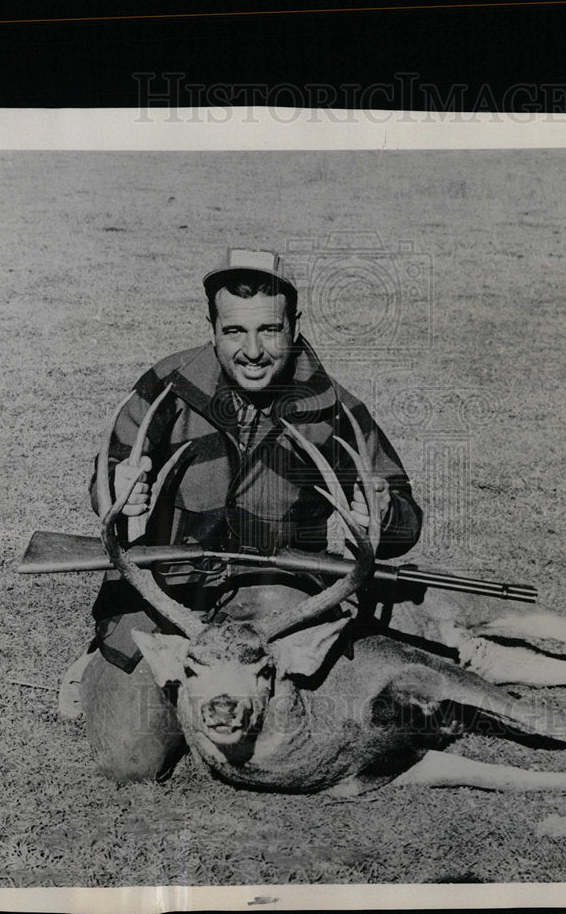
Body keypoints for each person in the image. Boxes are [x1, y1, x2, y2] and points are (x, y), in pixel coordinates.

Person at [63, 248, 423, 781]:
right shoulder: (166, 388)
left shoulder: (334, 407)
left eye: (269, 331)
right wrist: (116, 490)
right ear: (212, 327)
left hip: (275, 602)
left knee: (317, 734)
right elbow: (112, 471)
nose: (252, 351)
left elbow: (404, 520)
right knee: (129, 763)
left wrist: (382, 515)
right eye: (234, 331)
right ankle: (110, 663)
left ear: (294, 327)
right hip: (172, 595)